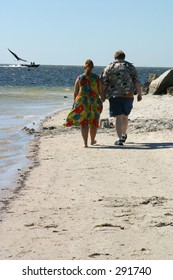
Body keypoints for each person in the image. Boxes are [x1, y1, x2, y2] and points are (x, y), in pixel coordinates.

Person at [101, 50, 142, 145]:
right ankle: (123, 134)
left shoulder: (109, 67)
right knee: (125, 116)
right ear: (124, 57)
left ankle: (119, 138)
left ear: (115, 57)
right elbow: (136, 81)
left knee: (118, 117)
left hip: (114, 95)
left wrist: (102, 95)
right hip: (128, 95)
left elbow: (104, 83)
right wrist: (139, 94)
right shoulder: (130, 67)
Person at [64, 59, 105, 147]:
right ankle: (92, 140)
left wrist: (75, 102)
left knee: (84, 123)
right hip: (94, 102)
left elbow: (75, 91)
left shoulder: (80, 77)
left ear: (84, 67)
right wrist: (103, 97)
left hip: (82, 102)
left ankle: (85, 143)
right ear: (93, 67)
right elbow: (100, 90)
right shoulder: (96, 78)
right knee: (93, 122)